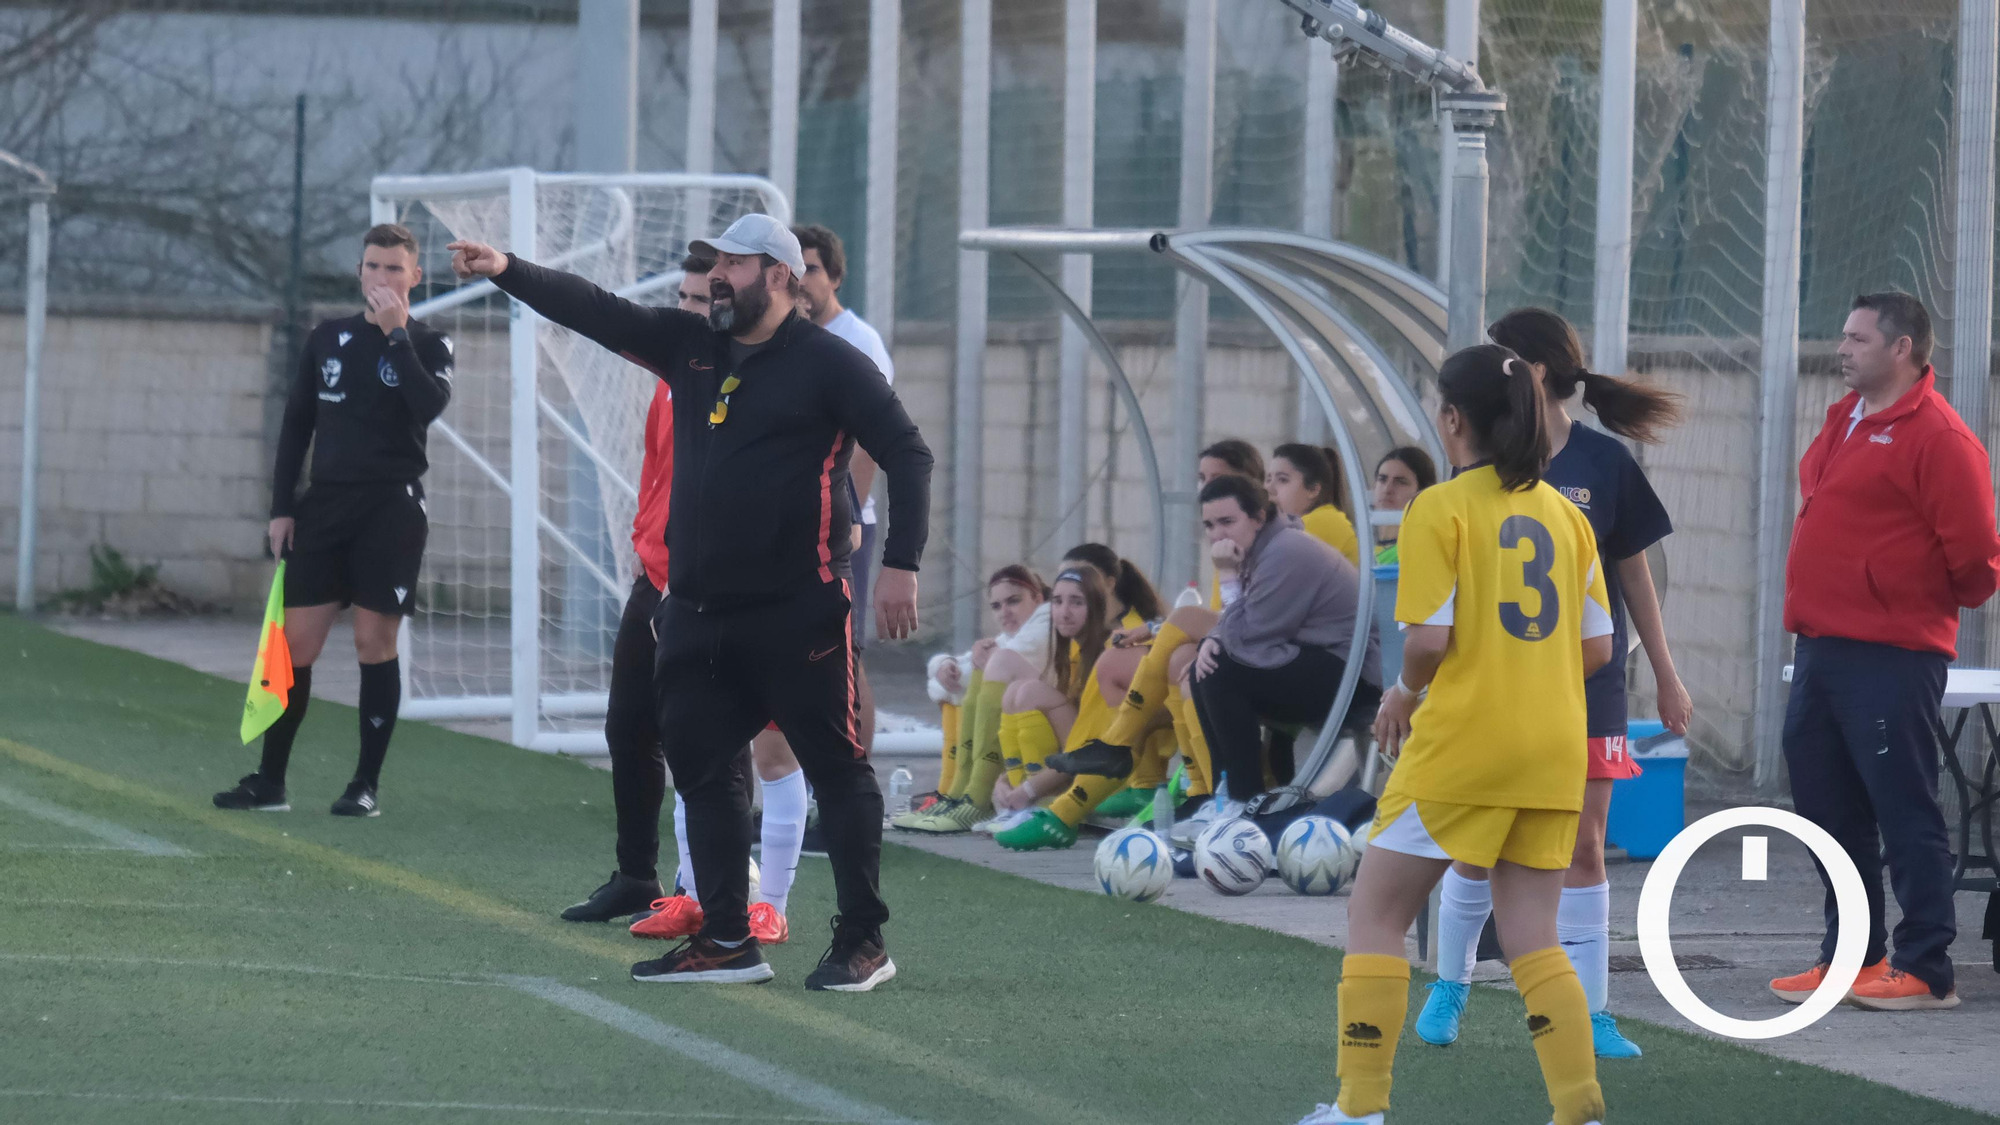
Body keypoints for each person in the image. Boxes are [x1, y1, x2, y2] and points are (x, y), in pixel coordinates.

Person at [450, 213, 932, 992]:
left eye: (735, 265)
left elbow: (909, 452)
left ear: (779, 276)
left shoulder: (829, 362)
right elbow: (597, 309)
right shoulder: (691, 343)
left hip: (799, 610)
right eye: (716, 265)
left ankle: (862, 941)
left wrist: (901, 563)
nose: (717, 277)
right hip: (699, 611)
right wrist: (507, 267)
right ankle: (727, 938)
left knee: (837, 770)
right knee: (704, 771)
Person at [1295, 344, 1613, 1125]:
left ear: (1450, 419)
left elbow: (1429, 641)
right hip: (1551, 748)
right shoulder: (1568, 517)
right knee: (1535, 934)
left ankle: (1358, 1109)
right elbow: (1600, 647)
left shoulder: (1438, 507)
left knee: (1376, 914)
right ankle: (1579, 1107)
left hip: (1465, 743)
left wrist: (1404, 694)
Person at [1416, 306, 1690, 1058]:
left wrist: (1666, 674)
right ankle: (1452, 982)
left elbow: (1634, 576)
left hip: (1586, 687)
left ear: (1533, 371)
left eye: (1501, 356)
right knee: (1478, 842)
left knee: (1586, 848)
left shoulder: (1604, 464)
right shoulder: (1480, 466)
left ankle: (1592, 1013)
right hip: (1495, 691)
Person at [559, 252, 812, 952]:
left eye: (703, 299)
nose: (691, 310)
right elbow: (660, 477)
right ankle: (670, 886)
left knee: (769, 750)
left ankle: (768, 905)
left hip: (741, 591)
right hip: (663, 578)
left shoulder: (770, 380)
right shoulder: (675, 378)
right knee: (651, 729)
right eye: (686, 297)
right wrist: (650, 551)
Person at [1773, 292, 2000, 1012]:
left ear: (1902, 349)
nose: (1842, 348)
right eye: (1843, 336)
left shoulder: (1940, 436)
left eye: (1858, 338)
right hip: (1820, 645)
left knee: (1903, 808)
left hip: (1891, 654)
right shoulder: (1845, 416)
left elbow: (1978, 564)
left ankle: (1927, 968)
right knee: (1826, 809)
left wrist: (1898, 593)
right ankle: (1853, 955)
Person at [216, 224, 453, 819]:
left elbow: (429, 406)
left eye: (394, 268)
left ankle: (364, 786)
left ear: (415, 277)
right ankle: (270, 782)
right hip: (324, 508)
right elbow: (297, 423)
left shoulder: (430, 343)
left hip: (391, 511)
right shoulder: (327, 338)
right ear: (359, 271)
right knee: (295, 645)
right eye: (373, 266)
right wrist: (282, 507)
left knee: (374, 642)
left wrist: (396, 335)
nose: (381, 278)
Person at [1044, 440, 1267, 797]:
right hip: (1235, 645)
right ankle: (1200, 792)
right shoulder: (1234, 545)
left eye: (1216, 478)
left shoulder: (1282, 542)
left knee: (1132, 660)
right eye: (1201, 477)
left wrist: (1223, 579)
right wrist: (1156, 629)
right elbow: (1227, 617)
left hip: (1275, 659)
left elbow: (1244, 622)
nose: (1205, 486)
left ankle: (1112, 761)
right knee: (1178, 658)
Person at [1186, 473, 1381, 823]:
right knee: (1205, 667)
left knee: (1220, 671)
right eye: (1210, 525)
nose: (1218, 535)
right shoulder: (1263, 548)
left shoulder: (1286, 551)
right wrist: (1213, 639)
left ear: (1258, 517)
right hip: (1322, 664)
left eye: (1227, 522)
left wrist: (1227, 577)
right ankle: (1225, 795)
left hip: (1354, 678)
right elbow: (1238, 629)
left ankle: (1243, 803)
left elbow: (1247, 636)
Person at [795, 223, 890, 748]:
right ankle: (798, 780)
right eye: (794, 269)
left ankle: (853, 779)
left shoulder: (858, 341)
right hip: (794, 525)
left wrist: (846, 517)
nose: (801, 280)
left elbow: (872, 442)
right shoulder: (784, 336)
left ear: (834, 276)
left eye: (811, 268)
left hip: (840, 528)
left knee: (844, 654)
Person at [898, 567, 1053, 834]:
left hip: (1054, 734)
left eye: (1013, 601)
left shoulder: (1044, 626)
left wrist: (963, 671)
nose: (1004, 612)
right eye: (996, 606)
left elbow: (978, 673)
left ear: (1037, 598)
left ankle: (976, 798)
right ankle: (957, 793)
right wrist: (944, 666)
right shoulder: (1011, 638)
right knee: (962, 692)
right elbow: (949, 679)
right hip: (1030, 731)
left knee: (985, 675)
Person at [1266, 443, 1362, 566]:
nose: (1269, 488)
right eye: (1268, 479)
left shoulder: (1322, 520)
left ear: (1313, 490)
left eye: (1282, 479)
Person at [1369, 446, 1438, 565]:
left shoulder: (1419, 550)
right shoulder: (1364, 545)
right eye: (1382, 479)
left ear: (1422, 492)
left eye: (1401, 482)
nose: (1387, 489)